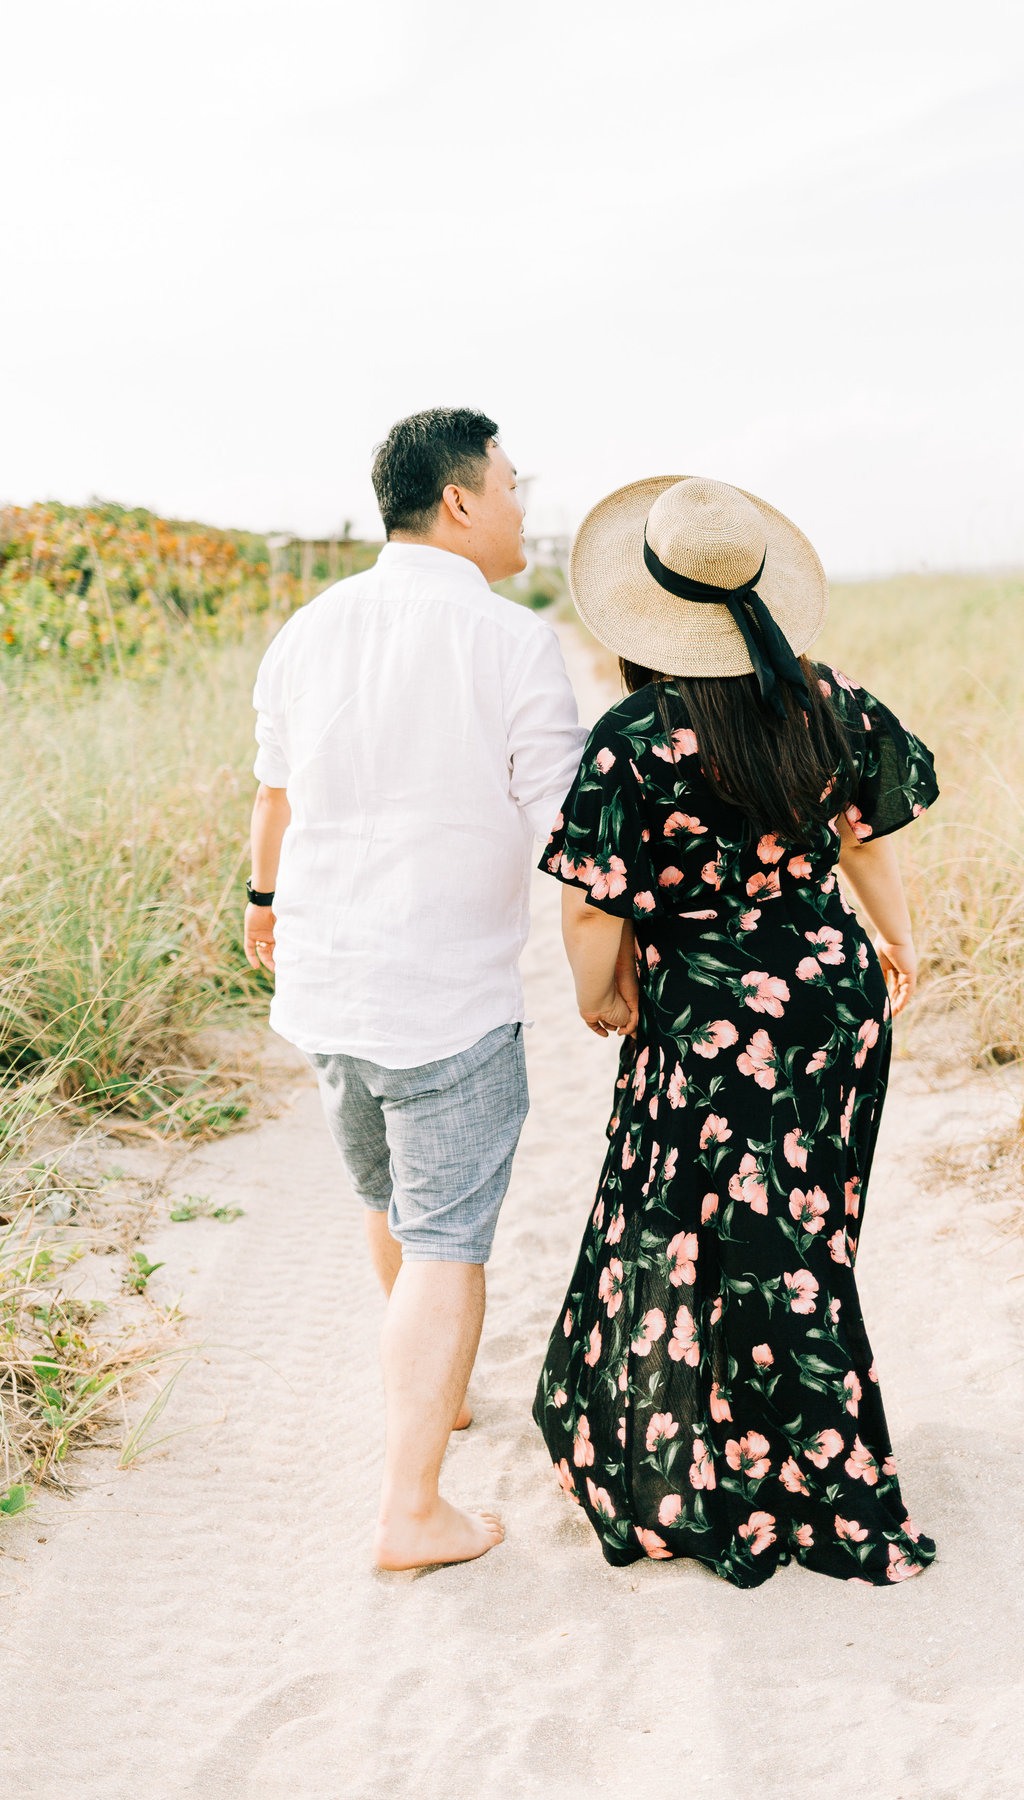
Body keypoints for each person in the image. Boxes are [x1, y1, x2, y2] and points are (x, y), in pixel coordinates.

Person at [534, 474, 939, 1588]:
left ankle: (733, 1463)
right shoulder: (828, 700)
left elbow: (591, 903)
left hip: (710, 1016)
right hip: (829, 999)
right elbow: (865, 837)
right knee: (806, 1235)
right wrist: (897, 940)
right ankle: (815, 1451)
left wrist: (596, 991)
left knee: (694, 1229)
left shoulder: (635, 736)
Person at [243, 408, 585, 1570]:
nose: (524, 503)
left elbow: (276, 798)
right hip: (448, 996)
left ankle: (429, 1397)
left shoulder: (306, 628)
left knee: (391, 1205)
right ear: (459, 502)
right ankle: (411, 1506)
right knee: (447, 1240)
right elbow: (571, 842)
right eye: (511, 481)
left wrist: (262, 905)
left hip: (329, 989)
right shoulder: (512, 642)